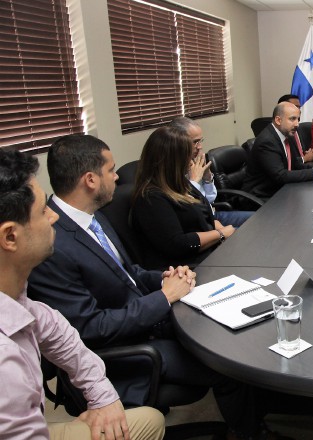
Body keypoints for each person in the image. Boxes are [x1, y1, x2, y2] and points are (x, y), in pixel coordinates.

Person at [27, 135, 277, 440]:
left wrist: (164, 278)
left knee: (234, 329)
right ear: (90, 180)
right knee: (229, 364)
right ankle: (248, 432)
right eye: (111, 170)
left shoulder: (91, 218)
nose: (117, 177)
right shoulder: (52, 245)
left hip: (147, 320)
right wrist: (163, 297)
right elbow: (90, 329)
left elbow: (127, 273)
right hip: (122, 352)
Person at [0, 149, 165, 440]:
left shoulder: (16, 296)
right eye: (41, 211)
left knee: (148, 420)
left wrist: (103, 396)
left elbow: (58, 332)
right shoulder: (4, 364)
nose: (53, 216)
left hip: (30, 420)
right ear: (10, 236)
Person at [130, 127, 235, 270]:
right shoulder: (150, 198)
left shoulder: (179, 183)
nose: (192, 160)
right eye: (187, 156)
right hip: (187, 268)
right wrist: (220, 234)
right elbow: (178, 244)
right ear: (173, 161)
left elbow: (205, 216)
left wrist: (223, 232)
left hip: (210, 253)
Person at [169, 117, 253, 228]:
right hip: (199, 224)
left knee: (258, 219)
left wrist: (207, 178)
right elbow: (190, 212)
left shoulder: (193, 163)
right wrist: (194, 181)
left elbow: (209, 199)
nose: (200, 147)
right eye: (195, 142)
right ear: (178, 141)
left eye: (200, 141)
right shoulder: (171, 171)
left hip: (212, 216)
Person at [242, 102, 313, 200]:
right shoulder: (267, 141)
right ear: (278, 120)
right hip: (260, 197)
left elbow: (294, 164)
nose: (297, 124)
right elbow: (280, 175)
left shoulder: (287, 135)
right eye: (292, 119)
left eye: (298, 119)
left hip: (281, 190)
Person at [278, 94, 313, 163]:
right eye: (295, 107)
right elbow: (287, 163)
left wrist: (309, 154)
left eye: (299, 107)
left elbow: (298, 154)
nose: (298, 110)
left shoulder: (297, 129)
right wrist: (305, 158)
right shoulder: (282, 133)